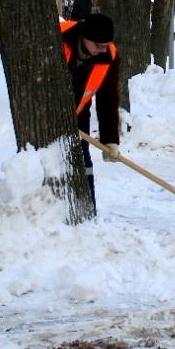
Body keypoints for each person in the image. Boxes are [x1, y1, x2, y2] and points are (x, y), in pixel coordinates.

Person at [59, 13, 120, 209]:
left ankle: (87, 208)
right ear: (84, 36)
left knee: (82, 161)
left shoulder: (109, 55)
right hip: (48, 118)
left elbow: (108, 99)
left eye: (106, 44)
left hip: (79, 113)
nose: (103, 49)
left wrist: (110, 139)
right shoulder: (56, 40)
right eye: (98, 45)